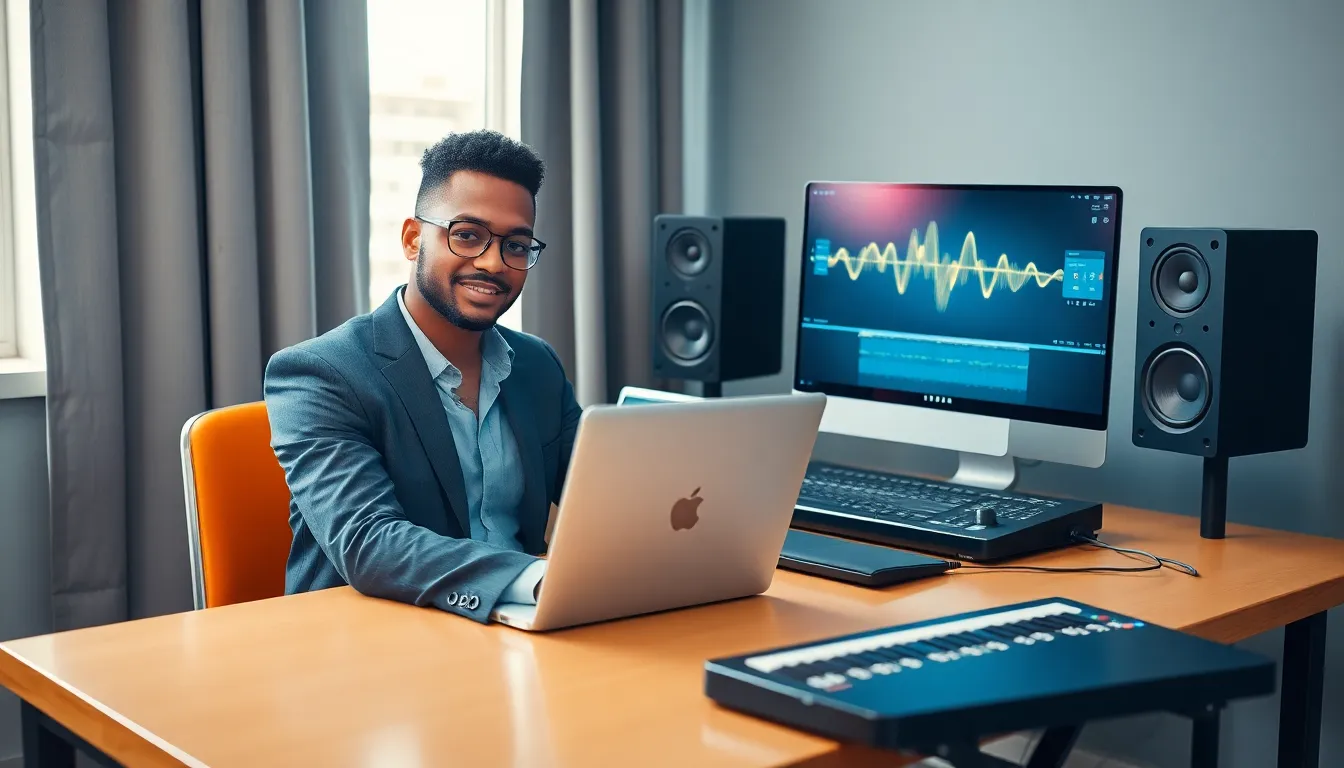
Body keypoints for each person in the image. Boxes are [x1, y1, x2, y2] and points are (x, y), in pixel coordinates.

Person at [264, 130, 581, 622]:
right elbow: (369, 541)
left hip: (523, 632)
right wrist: (539, 580)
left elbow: (600, 502)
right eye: (467, 235)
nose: (494, 263)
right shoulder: (319, 373)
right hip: (372, 645)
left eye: (516, 245)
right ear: (414, 239)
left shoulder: (537, 365)